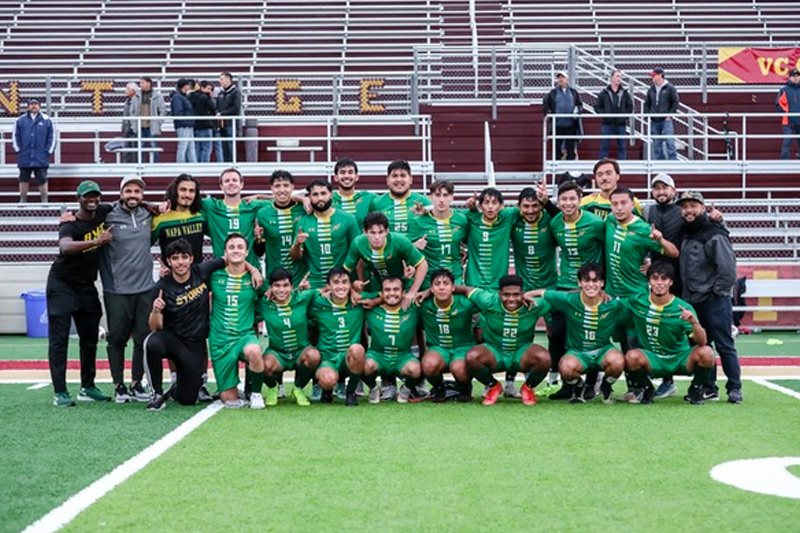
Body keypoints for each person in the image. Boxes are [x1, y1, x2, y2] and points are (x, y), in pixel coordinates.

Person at [46, 181, 113, 407]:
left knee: (90, 338)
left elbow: (128, 201)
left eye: (95, 195)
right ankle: (60, 392)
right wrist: (96, 241)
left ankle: (87, 386)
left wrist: (152, 206)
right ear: (79, 199)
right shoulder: (70, 224)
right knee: (59, 339)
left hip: (86, 286)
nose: (92, 199)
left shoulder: (103, 211)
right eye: (87, 196)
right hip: (61, 285)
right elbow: (65, 247)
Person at [144, 239, 227, 410]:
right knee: (151, 343)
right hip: (172, 339)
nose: (180, 262)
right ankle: (156, 394)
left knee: (188, 399)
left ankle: (175, 390)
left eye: (184, 257)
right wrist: (156, 310)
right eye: (175, 258)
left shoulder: (201, 271)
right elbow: (155, 327)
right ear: (168, 261)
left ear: (191, 258)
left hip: (194, 344)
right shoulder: (161, 287)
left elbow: (229, 258)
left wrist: (254, 270)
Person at [527, 263, 627, 404]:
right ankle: (579, 387)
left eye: (595, 280)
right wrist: (525, 296)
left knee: (618, 361)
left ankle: (606, 386)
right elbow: (539, 293)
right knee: (565, 368)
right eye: (586, 280)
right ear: (579, 282)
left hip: (602, 351)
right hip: (577, 353)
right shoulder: (569, 300)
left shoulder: (613, 305)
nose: (591, 284)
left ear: (602, 283)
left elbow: (634, 308)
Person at [677, 191, 742, 404]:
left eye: (693, 206)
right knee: (702, 347)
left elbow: (728, 268)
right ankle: (709, 387)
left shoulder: (714, 232)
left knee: (724, 344)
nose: (688, 210)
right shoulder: (686, 232)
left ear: (703, 207)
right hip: (693, 300)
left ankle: (734, 388)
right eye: (685, 206)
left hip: (714, 300)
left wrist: (717, 293)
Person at [623, 262, 715, 405]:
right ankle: (648, 389)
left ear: (670, 282)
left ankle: (695, 390)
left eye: (664, 279)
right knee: (631, 357)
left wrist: (693, 322)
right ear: (649, 281)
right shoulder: (637, 301)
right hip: (654, 359)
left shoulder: (683, 307)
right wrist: (602, 294)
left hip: (679, 359)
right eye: (655, 278)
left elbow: (701, 342)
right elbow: (613, 305)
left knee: (707, 352)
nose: (659, 283)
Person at [99, 175, 156, 403]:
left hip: (145, 289)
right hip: (117, 289)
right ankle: (118, 385)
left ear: (142, 195)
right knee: (117, 339)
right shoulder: (107, 214)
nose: (133, 195)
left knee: (143, 339)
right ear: (121, 192)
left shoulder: (148, 214)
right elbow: (82, 218)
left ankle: (136, 383)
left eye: (137, 192)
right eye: (129, 191)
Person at [547, 180, 606, 400]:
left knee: (589, 334)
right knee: (557, 332)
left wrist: (603, 284)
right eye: (564, 199)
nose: (568, 203)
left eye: (572, 198)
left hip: (590, 286)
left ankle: (591, 383)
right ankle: (568, 382)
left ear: (580, 200)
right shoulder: (555, 223)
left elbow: (608, 248)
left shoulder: (595, 223)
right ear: (558, 201)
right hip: (565, 285)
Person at [462, 275, 552, 406]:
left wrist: (533, 293)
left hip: (521, 352)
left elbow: (562, 298)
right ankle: (493, 386)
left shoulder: (535, 304)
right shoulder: (488, 301)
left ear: (523, 294)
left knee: (544, 358)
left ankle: (528, 388)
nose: (511, 299)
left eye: (516, 295)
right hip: (495, 351)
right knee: (472, 356)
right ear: (499, 294)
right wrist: (430, 291)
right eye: (506, 295)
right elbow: (465, 290)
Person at [208, 233, 266, 408]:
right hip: (220, 340)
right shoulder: (214, 276)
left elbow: (271, 298)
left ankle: (255, 393)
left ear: (247, 252)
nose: (236, 250)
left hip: (244, 335)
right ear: (225, 251)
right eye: (231, 247)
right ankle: (231, 386)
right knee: (230, 400)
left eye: (240, 247)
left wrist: (255, 317)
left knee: (255, 351)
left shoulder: (255, 279)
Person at [259, 269, 321, 407]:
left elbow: (327, 292)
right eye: (277, 286)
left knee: (314, 356)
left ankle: (297, 388)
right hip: (277, 353)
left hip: (300, 351)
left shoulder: (303, 297)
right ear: (271, 287)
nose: (281, 290)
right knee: (260, 364)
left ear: (292, 287)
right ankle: (273, 387)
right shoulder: (264, 303)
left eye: (285, 285)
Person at [343, 211, 428, 309]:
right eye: (372, 233)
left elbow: (422, 264)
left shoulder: (400, 241)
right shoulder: (358, 243)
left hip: (403, 283)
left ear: (387, 231)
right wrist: (352, 290)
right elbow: (345, 272)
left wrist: (412, 293)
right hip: (377, 285)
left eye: (380, 232)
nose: (377, 237)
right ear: (365, 232)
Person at [605, 187, 679, 299]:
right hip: (611, 295)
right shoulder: (610, 220)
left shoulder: (644, 229)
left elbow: (674, 253)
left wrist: (661, 240)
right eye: (614, 204)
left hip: (636, 294)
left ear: (633, 204)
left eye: (624, 203)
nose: (619, 208)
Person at [416, 269, 477, 402]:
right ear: (431, 288)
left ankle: (465, 387)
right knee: (428, 364)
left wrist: (461, 289)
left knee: (458, 369)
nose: (442, 287)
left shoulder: (465, 303)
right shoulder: (422, 304)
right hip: (438, 348)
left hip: (463, 347)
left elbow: (481, 294)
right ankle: (439, 388)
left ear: (453, 287)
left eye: (446, 283)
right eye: (437, 284)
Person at [362, 277, 424, 404]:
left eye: (396, 289)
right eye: (387, 290)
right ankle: (374, 388)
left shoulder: (413, 308)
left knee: (416, 369)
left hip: (402, 357)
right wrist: (376, 298)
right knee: (363, 365)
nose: (391, 293)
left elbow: (431, 293)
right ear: (382, 292)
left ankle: (406, 389)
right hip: (377, 356)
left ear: (403, 292)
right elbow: (354, 294)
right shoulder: (371, 308)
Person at [310, 267, 366, 406]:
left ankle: (351, 392)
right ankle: (327, 390)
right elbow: (296, 300)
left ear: (350, 285)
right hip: (328, 358)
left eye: (345, 282)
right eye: (336, 282)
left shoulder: (358, 302)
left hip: (349, 358)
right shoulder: (318, 304)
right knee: (328, 380)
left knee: (357, 349)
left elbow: (384, 296)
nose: (340, 286)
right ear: (328, 286)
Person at [291, 179, 359, 289]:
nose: (320, 198)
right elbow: (295, 257)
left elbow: (357, 252)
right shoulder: (303, 222)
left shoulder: (347, 219)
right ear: (309, 197)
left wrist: (357, 280)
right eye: (315, 194)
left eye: (323, 193)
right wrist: (297, 244)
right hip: (313, 285)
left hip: (341, 284)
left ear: (331, 195)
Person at [408, 180, 469, 288]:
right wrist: (414, 246)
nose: (441, 200)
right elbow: (405, 250)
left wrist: (465, 251)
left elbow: (470, 241)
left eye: (445, 195)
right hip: (428, 281)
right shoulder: (418, 222)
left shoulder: (462, 220)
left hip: (455, 280)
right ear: (430, 197)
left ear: (452, 197)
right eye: (437, 195)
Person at [200, 168, 267, 266]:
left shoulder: (252, 205)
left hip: (250, 271)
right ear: (221, 186)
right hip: (221, 271)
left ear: (241, 184)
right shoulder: (211, 206)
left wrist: (259, 196)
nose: (231, 183)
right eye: (227, 181)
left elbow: (281, 200)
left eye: (234, 180)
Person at [255, 170, 307, 280]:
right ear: (272, 188)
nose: (282, 190)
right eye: (277, 186)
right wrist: (258, 240)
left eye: (286, 185)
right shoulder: (263, 214)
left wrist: (303, 199)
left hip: (301, 276)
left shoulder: (304, 209)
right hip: (275, 277)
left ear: (292, 187)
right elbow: (260, 252)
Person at [151, 174, 207, 264]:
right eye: (183, 190)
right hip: (170, 275)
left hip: (198, 275)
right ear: (174, 191)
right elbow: (143, 247)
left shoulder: (201, 216)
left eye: (191, 191)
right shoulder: (160, 219)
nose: (187, 195)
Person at [369, 160, 431, 233]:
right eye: (394, 176)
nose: (399, 180)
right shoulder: (377, 203)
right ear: (388, 180)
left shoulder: (423, 201)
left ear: (411, 179)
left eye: (403, 175)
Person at [13, 97, 55, 202]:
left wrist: (48, 151)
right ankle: (23, 199)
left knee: (42, 178)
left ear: (39, 106)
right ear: (28, 106)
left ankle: (44, 200)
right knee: (23, 178)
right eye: (32, 104)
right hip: (25, 155)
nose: (34, 106)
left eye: (36, 104)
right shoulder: (20, 120)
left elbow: (52, 137)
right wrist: (19, 150)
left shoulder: (47, 120)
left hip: (40, 156)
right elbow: (15, 136)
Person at [543, 71, 582, 160]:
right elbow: (546, 106)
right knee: (556, 148)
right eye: (559, 77)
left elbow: (579, 105)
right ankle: (557, 168)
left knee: (571, 148)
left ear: (567, 79)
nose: (560, 79)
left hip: (570, 125)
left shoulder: (573, 92)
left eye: (562, 77)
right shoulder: (552, 93)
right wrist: (549, 114)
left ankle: (570, 168)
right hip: (557, 125)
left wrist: (577, 111)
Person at [595, 69, 633, 160]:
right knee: (604, 145)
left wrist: (624, 117)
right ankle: (603, 164)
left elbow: (630, 106)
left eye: (620, 76)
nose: (619, 78)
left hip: (621, 124)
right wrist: (605, 115)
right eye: (617, 76)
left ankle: (622, 165)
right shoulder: (604, 92)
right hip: (607, 124)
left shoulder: (624, 92)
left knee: (622, 146)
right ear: (612, 78)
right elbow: (597, 107)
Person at [645, 67, 679, 160]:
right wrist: (648, 115)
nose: (652, 78)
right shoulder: (651, 89)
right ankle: (660, 160)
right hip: (654, 119)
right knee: (656, 142)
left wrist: (670, 114)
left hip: (665, 119)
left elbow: (675, 102)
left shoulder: (670, 88)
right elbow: (647, 103)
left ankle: (673, 160)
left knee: (669, 141)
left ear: (660, 75)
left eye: (654, 75)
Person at [332, 158, 377, 229]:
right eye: (342, 172)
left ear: (357, 177)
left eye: (350, 172)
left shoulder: (368, 198)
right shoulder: (328, 198)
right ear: (335, 178)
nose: (346, 176)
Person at [135, 76, 167, 163]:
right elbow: (133, 110)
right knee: (140, 147)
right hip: (140, 125)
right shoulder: (137, 96)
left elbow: (163, 110)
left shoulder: (157, 96)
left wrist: (158, 122)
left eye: (142, 82)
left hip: (152, 125)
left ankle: (155, 164)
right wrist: (134, 123)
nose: (140, 85)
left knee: (153, 146)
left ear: (149, 84)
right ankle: (141, 164)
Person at [216, 71, 241, 162]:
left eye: (222, 79)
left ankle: (232, 161)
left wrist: (223, 113)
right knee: (224, 144)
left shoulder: (235, 92)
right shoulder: (220, 93)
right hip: (222, 123)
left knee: (231, 143)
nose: (220, 81)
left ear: (228, 79)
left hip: (231, 123)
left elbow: (236, 108)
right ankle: (225, 162)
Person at [170, 78, 197, 163]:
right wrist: (186, 122)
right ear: (184, 86)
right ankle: (181, 165)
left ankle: (193, 165)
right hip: (183, 125)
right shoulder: (178, 97)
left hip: (187, 124)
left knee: (190, 147)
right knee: (183, 147)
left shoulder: (181, 97)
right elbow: (178, 112)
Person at [188, 80, 216, 163]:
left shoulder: (191, 96)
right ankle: (205, 164)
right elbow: (213, 108)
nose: (209, 91)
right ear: (202, 88)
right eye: (208, 88)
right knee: (206, 148)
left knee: (197, 147)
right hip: (205, 124)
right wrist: (211, 98)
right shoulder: (205, 97)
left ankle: (196, 164)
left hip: (195, 125)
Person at [776, 67, 800, 160]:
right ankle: (784, 162)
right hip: (788, 121)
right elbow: (778, 104)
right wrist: (786, 112)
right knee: (787, 142)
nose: (796, 78)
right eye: (794, 76)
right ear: (789, 77)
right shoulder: (784, 89)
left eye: (798, 76)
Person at [121, 82, 139, 163]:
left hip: (134, 131)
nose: (126, 90)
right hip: (126, 130)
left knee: (136, 150)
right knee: (126, 150)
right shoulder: (127, 101)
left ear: (133, 90)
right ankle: (126, 166)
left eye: (128, 89)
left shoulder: (138, 101)